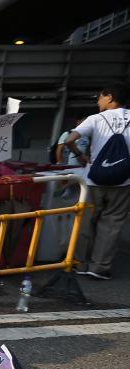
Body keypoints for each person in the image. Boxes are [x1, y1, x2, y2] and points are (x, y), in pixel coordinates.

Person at [64, 82, 130, 280]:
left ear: (109, 97)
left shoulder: (95, 119)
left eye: (99, 97)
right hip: (124, 181)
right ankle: (99, 267)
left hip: (94, 181)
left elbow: (69, 139)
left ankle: (81, 263)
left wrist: (81, 156)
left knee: (86, 222)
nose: (98, 101)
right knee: (112, 224)